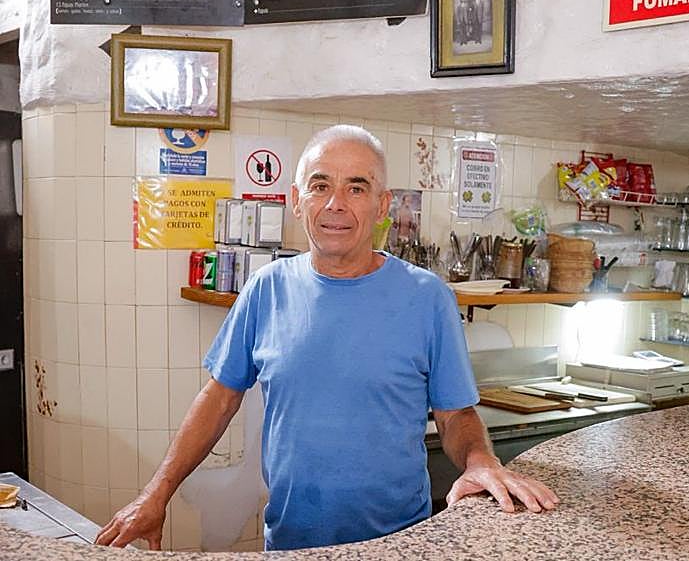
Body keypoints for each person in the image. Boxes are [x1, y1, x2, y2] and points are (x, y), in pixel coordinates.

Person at [96, 125, 558, 552]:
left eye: (356, 187)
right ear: (298, 201)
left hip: (398, 543)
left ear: (382, 206)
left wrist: (480, 461)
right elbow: (218, 399)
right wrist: (155, 495)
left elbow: (455, 413)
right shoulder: (266, 289)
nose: (335, 203)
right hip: (291, 542)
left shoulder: (427, 297)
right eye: (320, 186)